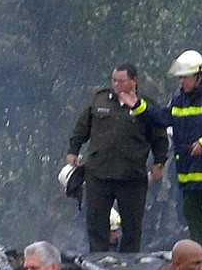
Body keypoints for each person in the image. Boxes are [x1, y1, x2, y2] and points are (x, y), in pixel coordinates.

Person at [119, 50, 202, 258]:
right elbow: (162, 118)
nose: (182, 82)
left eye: (186, 77)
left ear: (200, 76)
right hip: (188, 176)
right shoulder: (178, 100)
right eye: (181, 78)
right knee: (193, 225)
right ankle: (199, 267)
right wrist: (138, 106)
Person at [66, 63, 169, 252]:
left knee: (132, 227)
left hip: (131, 176)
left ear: (133, 81)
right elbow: (82, 127)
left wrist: (159, 162)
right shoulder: (100, 100)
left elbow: (159, 137)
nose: (116, 85)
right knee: (96, 223)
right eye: (114, 80)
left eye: (121, 81)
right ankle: (98, 261)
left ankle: (130, 264)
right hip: (99, 173)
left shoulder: (146, 106)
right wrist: (73, 150)